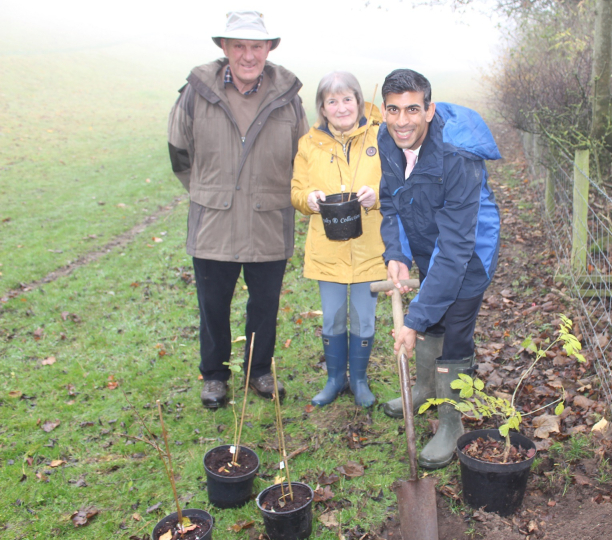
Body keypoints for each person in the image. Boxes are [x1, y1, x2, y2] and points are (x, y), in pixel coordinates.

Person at [167, 11, 308, 409]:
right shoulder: (196, 92)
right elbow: (179, 153)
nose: (248, 55)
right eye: (240, 46)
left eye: (256, 46)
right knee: (212, 305)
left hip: (268, 220)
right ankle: (213, 376)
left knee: (265, 304)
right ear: (224, 48)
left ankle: (258, 370)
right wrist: (208, 191)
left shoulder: (289, 99)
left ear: (268, 50)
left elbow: (304, 158)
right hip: (214, 222)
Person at [377, 69, 501, 468]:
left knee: (454, 334)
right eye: (393, 110)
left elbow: (455, 251)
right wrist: (395, 252)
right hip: (429, 242)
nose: (402, 121)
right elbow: (390, 199)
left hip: (469, 254)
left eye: (412, 109)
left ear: (429, 110)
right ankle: (424, 390)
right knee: (431, 318)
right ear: (383, 111)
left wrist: (411, 321)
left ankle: (450, 420)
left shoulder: (458, 158)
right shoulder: (387, 140)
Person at [291, 72, 385, 408]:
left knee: (363, 316)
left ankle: (358, 381)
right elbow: (296, 191)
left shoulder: (381, 135)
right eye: (332, 101)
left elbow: (401, 182)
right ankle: (334, 380)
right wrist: (309, 199)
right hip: (326, 249)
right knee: (331, 317)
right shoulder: (308, 144)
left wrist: (378, 195)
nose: (341, 107)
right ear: (323, 107)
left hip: (371, 248)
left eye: (347, 99)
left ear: (359, 101)